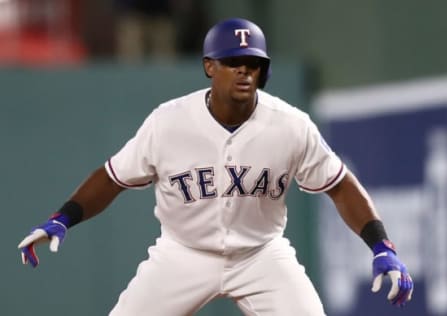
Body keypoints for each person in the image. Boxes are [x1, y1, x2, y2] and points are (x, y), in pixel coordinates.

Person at [18, 18, 413, 315]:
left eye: (253, 63)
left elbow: (340, 184)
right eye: (233, 61)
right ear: (210, 66)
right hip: (182, 254)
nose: (245, 70)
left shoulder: (290, 125)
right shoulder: (168, 122)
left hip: (261, 255)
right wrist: (62, 218)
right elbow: (112, 177)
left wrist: (382, 246)